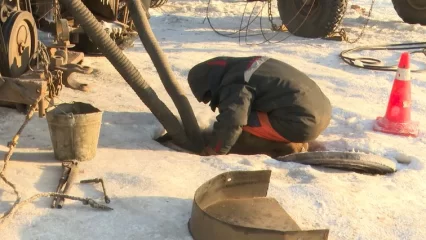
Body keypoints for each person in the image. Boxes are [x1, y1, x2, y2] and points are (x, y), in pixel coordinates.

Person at [187, 56, 332, 157]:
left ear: (209, 84)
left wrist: (214, 149)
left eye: (208, 96)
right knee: (241, 110)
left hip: (303, 123)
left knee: (238, 123)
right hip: (322, 112)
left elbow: (233, 120)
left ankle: (289, 147)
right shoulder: (249, 65)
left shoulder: (235, 83)